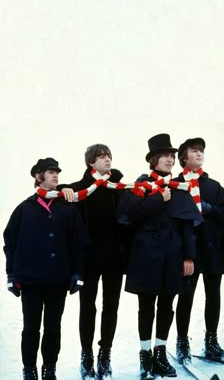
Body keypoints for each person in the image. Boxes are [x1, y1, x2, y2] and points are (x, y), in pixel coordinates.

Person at [118, 134, 202, 379]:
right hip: (145, 254)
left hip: (173, 255)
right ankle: (145, 356)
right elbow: (128, 216)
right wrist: (157, 199)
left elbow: (188, 226)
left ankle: (161, 353)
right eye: (165, 155)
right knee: (146, 307)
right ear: (154, 159)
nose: (170, 160)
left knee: (167, 306)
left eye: (172, 156)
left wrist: (189, 257)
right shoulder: (141, 185)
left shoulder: (179, 187)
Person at [3, 158, 88, 380]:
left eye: (57, 172)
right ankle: (28, 369)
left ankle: (49, 368)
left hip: (58, 280)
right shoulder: (24, 208)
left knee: (53, 328)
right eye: (50, 172)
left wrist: (77, 273)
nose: (56, 176)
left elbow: (80, 242)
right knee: (30, 328)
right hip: (30, 281)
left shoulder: (67, 208)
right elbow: (9, 241)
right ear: (38, 176)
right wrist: (11, 274)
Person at [58, 144, 128, 380]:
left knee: (112, 306)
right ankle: (86, 355)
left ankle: (104, 354)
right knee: (87, 307)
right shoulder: (79, 188)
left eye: (109, 155)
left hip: (114, 258)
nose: (107, 159)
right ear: (91, 163)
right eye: (101, 156)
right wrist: (64, 188)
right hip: (88, 259)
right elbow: (57, 192)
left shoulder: (117, 187)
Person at [174, 138, 224, 364]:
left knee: (214, 296)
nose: (199, 153)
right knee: (185, 297)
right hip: (187, 252)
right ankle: (182, 342)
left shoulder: (213, 185)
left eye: (201, 151)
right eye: (194, 150)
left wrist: (210, 209)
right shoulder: (175, 184)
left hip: (212, 248)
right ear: (184, 157)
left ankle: (212, 341)